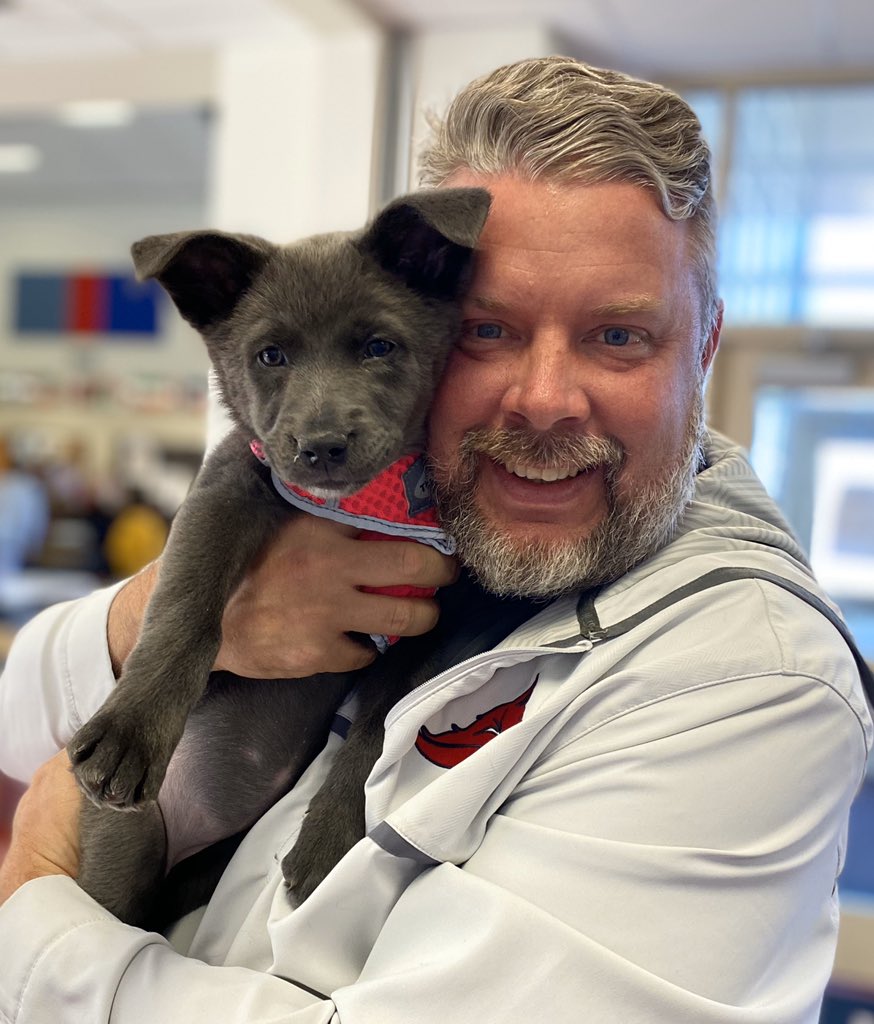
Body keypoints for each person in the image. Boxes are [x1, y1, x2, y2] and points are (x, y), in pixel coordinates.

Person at [0, 56, 870, 1023]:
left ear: (704, 345)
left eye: (618, 336)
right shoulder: (424, 505)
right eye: (489, 333)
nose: (544, 400)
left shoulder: (744, 687)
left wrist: (36, 906)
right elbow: (18, 712)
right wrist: (179, 622)